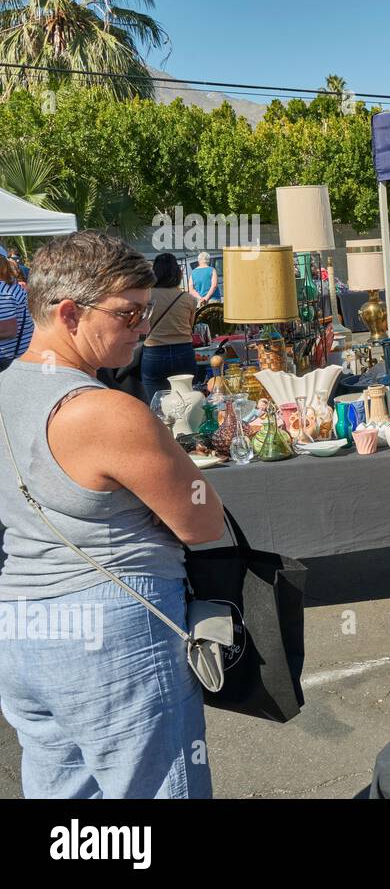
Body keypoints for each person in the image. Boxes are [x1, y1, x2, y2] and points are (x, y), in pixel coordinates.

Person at [0, 231, 227, 798]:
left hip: (23, 627)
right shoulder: (105, 412)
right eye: (129, 315)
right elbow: (203, 520)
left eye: (144, 313)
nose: (143, 328)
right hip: (113, 626)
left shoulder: (8, 388)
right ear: (69, 313)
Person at [141, 252, 198, 406]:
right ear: (178, 273)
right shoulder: (189, 299)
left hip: (154, 352)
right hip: (183, 352)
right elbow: (189, 326)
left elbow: (141, 324)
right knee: (187, 403)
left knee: (157, 405)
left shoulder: (147, 296)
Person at [0, 256, 33, 372]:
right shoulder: (11, 286)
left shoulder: (2, 292)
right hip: (18, 355)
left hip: (5, 358)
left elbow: (8, 330)